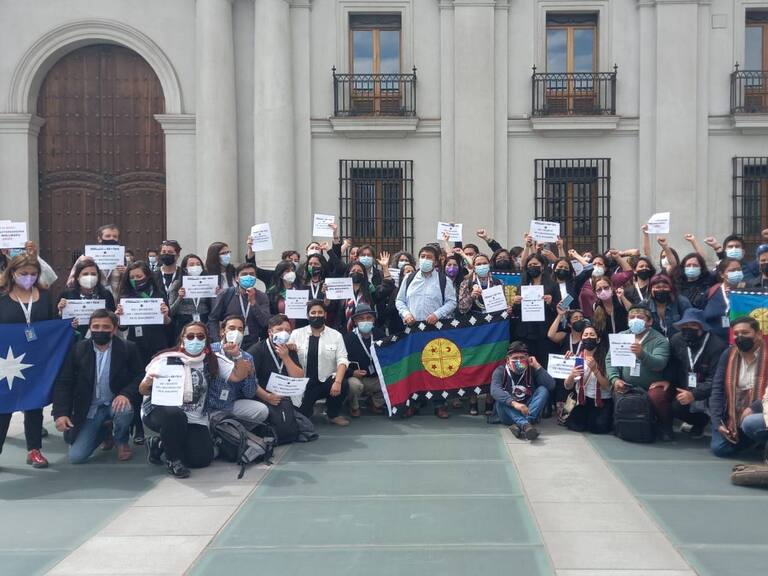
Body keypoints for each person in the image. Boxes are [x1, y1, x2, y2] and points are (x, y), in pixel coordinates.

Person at [141, 322, 250, 478]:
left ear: (206, 340)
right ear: (182, 338)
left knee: (201, 460)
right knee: (175, 416)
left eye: (200, 336)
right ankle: (173, 461)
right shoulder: (165, 359)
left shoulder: (212, 359)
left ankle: (159, 444)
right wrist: (148, 383)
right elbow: (142, 389)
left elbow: (239, 376)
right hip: (161, 412)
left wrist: (237, 355)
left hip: (195, 418)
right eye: (190, 336)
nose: (195, 340)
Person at [52, 309, 143, 463]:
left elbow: (140, 376)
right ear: (90, 328)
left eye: (106, 327)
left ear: (114, 329)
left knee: (125, 410)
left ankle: (121, 440)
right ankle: (105, 431)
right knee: (76, 457)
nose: (100, 330)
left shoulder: (128, 348)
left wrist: (126, 394)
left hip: (115, 403)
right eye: (96, 327)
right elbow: (64, 382)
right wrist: (60, 413)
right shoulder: (78, 349)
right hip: (89, 408)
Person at [0, 254, 56, 468]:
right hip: (6, 360)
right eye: (24, 274)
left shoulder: (44, 296)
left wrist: (66, 326)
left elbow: (53, 325)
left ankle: (34, 449)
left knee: (34, 404)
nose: (29, 278)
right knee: (3, 406)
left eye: (33, 274)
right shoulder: (2, 297)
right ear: (12, 273)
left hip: (36, 359)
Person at [395, 245, 457, 418]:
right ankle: (414, 403)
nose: (425, 259)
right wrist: (406, 314)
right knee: (414, 367)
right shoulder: (409, 277)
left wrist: (437, 314)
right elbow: (399, 301)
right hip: (413, 330)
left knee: (437, 366)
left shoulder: (444, 280)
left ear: (436, 261)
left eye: (429, 257)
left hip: (435, 330)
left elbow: (452, 302)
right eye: (422, 256)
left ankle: (440, 404)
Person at [116, 261, 172, 444]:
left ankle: (161, 422)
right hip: (135, 345)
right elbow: (122, 326)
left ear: (147, 276)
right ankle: (137, 428)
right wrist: (120, 315)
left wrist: (165, 314)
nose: (135, 280)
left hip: (158, 344)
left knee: (159, 383)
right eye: (131, 278)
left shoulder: (158, 294)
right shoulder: (126, 296)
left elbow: (167, 323)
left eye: (139, 276)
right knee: (138, 383)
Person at [606, 303, 673, 440]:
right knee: (618, 392)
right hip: (627, 384)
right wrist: (615, 379)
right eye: (632, 317)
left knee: (657, 397)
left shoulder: (659, 340)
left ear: (649, 321)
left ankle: (665, 426)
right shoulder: (621, 336)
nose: (635, 319)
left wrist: (642, 354)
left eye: (640, 317)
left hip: (651, 385)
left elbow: (659, 364)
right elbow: (610, 360)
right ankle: (623, 426)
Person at [709, 316, 768, 458]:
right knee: (719, 449)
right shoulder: (728, 354)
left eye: (745, 333)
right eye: (736, 334)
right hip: (733, 416)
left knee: (750, 423)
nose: (740, 337)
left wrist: (755, 407)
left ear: (759, 334)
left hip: (762, 412)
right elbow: (717, 389)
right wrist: (718, 422)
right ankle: (754, 440)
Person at [667, 308, 727, 439]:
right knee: (672, 404)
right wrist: (666, 381)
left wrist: (694, 394)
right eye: (685, 325)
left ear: (703, 327)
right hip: (684, 385)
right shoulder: (676, 340)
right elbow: (671, 365)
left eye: (693, 325)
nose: (688, 328)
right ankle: (698, 422)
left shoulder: (718, 346)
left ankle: (709, 422)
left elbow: (716, 379)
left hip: (710, 391)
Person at [289, 300, 350, 426]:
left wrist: (337, 382)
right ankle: (308, 409)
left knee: (343, 383)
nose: (317, 315)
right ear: (307, 316)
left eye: (320, 312)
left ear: (325, 315)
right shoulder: (296, 334)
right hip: (304, 385)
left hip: (326, 382)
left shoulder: (336, 335)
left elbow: (342, 359)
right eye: (313, 312)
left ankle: (333, 414)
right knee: (302, 417)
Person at [207, 315, 269, 429]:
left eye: (240, 329)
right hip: (209, 408)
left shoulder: (246, 357)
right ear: (222, 331)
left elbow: (249, 393)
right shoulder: (210, 351)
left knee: (262, 410)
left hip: (230, 405)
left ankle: (237, 433)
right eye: (231, 328)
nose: (236, 332)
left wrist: (249, 374)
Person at [490, 341, 554, 441]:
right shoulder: (500, 370)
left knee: (543, 390)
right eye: (515, 358)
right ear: (508, 360)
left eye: (522, 357)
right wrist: (514, 403)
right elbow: (494, 391)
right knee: (501, 398)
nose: (519, 361)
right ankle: (525, 424)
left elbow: (551, 385)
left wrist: (538, 366)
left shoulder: (532, 369)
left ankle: (521, 424)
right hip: (507, 413)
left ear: (527, 358)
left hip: (527, 411)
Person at [511, 253, 560, 367]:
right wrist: (516, 303)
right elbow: (516, 312)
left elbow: (560, 308)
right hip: (525, 333)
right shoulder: (522, 285)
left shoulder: (553, 286)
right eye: (530, 265)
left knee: (544, 363)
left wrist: (550, 303)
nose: (532, 266)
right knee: (527, 364)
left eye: (535, 264)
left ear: (542, 267)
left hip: (544, 332)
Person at [207, 262, 271, 349]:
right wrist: (217, 341)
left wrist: (253, 303)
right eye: (244, 274)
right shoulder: (226, 294)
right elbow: (213, 319)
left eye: (251, 274)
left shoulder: (262, 297)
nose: (248, 277)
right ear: (237, 278)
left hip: (252, 343)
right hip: (228, 342)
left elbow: (265, 322)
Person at [563, 325, 613, 433]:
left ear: (598, 339)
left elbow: (607, 386)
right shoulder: (577, 358)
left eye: (592, 334)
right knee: (575, 425)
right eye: (585, 335)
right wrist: (572, 375)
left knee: (598, 428)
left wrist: (595, 370)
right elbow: (567, 386)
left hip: (602, 401)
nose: (588, 337)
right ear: (582, 339)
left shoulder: (605, 358)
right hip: (583, 400)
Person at [247, 314, 304, 400]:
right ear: (270, 332)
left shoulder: (290, 349)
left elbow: (299, 377)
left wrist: (286, 358)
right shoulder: (256, 350)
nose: (284, 333)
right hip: (263, 397)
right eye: (279, 329)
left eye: (287, 330)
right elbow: (248, 380)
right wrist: (267, 397)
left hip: (288, 396)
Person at [343, 304, 386, 417]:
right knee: (353, 385)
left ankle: (375, 403)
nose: (365, 321)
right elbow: (339, 363)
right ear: (355, 321)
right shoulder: (347, 339)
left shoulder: (380, 335)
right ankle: (354, 406)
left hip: (375, 378)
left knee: (393, 379)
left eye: (369, 318)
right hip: (357, 378)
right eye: (361, 318)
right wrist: (352, 373)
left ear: (373, 319)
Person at [57, 259, 116, 339]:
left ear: (98, 277)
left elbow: (113, 319)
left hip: (101, 339)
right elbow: (57, 323)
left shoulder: (106, 295)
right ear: (77, 277)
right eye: (85, 274)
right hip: (74, 340)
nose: (90, 277)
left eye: (93, 274)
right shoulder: (66, 295)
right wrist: (61, 312)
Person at [66, 224, 125, 295]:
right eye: (108, 236)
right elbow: (70, 283)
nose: (111, 239)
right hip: (93, 301)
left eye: (115, 236)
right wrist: (83, 266)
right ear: (99, 239)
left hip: (116, 303)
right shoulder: (86, 257)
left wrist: (127, 272)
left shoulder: (124, 260)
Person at [168, 253, 212, 339]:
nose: (195, 266)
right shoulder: (177, 284)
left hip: (204, 320)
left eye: (198, 264)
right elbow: (171, 311)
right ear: (185, 268)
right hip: (184, 321)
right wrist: (180, 298)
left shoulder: (208, 283)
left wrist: (216, 294)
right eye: (191, 264)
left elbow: (213, 307)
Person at [703, 257, 746, 341]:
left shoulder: (749, 291)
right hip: (715, 344)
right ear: (722, 274)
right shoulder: (712, 292)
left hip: (742, 343)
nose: (736, 272)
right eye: (732, 271)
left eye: (739, 269)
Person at [646, 274, 691, 339]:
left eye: (665, 287)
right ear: (651, 290)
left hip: (679, 340)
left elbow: (690, 323)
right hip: (655, 343)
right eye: (657, 287)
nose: (661, 289)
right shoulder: (645, 305)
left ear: (670, 289)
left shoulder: (681, 301)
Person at [591, 276, 629, 340]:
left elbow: (632, 311)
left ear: (611, 287)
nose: (603, 291)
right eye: (599, 289)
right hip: (608, 343)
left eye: (606, 288)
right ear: (595, 292)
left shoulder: (620, 299)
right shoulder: (596, 306)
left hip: (625, 340)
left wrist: (622, 297)